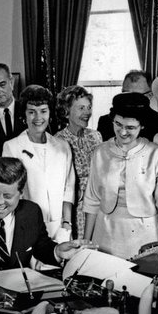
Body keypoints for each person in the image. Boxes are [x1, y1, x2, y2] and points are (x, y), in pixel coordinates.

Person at [83, 94, 158, 258]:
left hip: (145, 236)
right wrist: (85, 242)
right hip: (105, 233)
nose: (123, 132)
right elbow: (92, 201)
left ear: (142, 126)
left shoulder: (157, 155)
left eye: (131, 128)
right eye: (118, 124)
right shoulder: (100, 152)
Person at [2, 85, 75, 242]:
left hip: (60, 227)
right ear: (24, 115)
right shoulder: (12, 147)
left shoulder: (63, 146)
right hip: (26, 226)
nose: (38, 117)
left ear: (50, 113)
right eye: (31, 112)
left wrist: (67, 224)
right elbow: (11, 192)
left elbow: (68, 188)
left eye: (43, 111)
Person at [54, 85, 102, 239]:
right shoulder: (58, 140)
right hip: (76, 207)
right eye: (81, 108)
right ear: (66, 111)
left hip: (99, 203)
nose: (87, 112)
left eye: (89, 107)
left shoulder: (96, 136)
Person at [96, 70, 158, 141]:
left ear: (149, 95)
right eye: (126, 93)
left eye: (136, 96)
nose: (129, 99)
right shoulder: (106, 122)